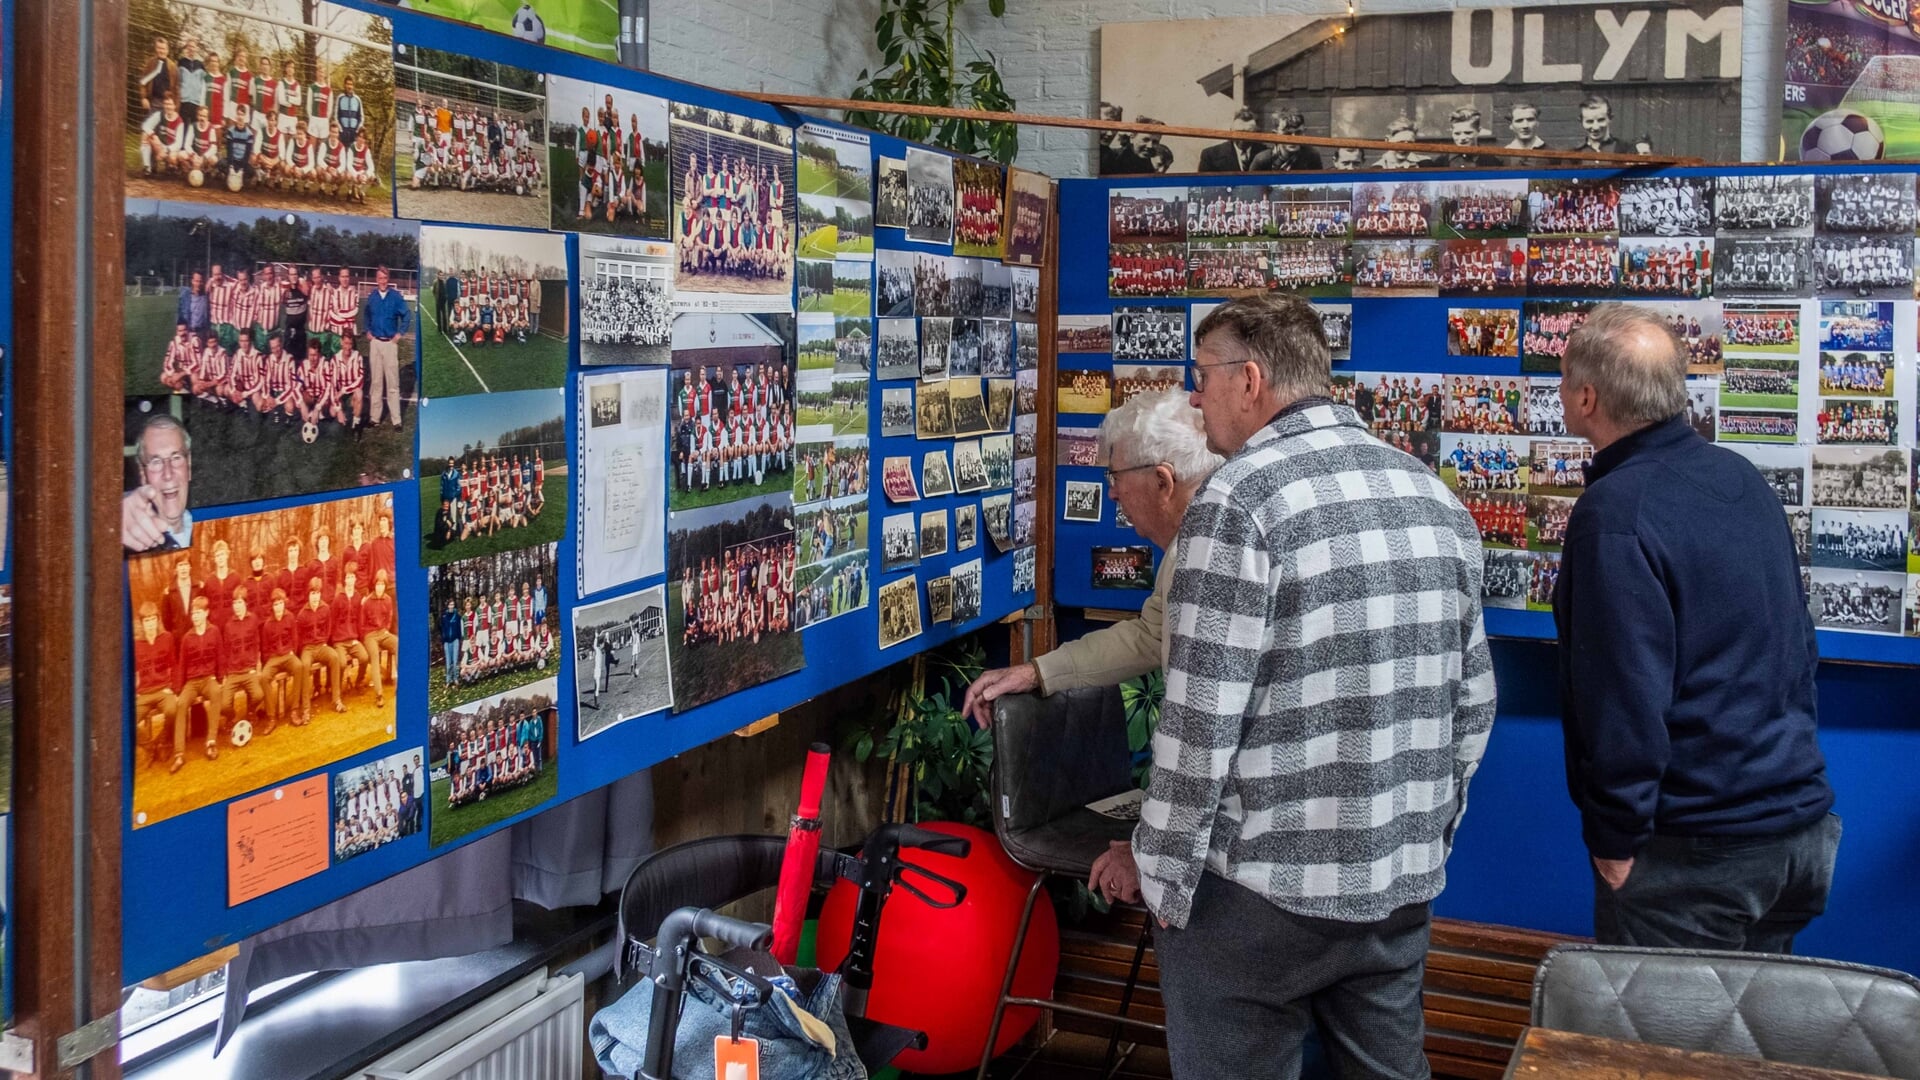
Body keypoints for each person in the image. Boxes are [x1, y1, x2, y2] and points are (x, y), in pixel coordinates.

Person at [1105, 294, 1495, 1078]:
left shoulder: (1237, 503)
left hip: (1256, 897)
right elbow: (1473, 704)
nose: (1195, 398)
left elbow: (1198, 725)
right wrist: (1424, 840)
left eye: (1203, 376)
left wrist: (1161, 876)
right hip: (1396, 882)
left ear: (1250, 380)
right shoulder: (1433, 496)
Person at [1552, 304, 1839, 951]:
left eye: (1565, 378)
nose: (1562, 391)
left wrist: (1614, 839)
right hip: (1794, 830)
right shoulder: (1740, 477)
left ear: (1588, 397)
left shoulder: (1615, 513)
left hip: (1696, 855)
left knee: (1656, 1025)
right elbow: (1800, 646)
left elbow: (1623, 694)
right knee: (1755, 1023)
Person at [962, 390, 1222, 723]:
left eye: (1116, 476)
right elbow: (1150, 636)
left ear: (1163, 481)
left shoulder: (1207, 558)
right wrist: (1036, 672)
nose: (1112, 493)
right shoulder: (1189, 543)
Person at [124, 413, 194, 556]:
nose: (168, 474)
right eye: (156, 462)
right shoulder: (128, 546)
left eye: (176, 458)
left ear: (188, 466)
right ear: (143, 475)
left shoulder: (217, 528)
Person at [362, 266, 409, 428]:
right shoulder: (372, 297)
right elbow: (366, 315)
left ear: (388, 279)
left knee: (393, 383)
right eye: (380, 278)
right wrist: (367, 330)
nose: (382, 281)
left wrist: (400, 334)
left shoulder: (395, 297)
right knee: (376, 382)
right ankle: (375, 417)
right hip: (375, 343)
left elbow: (407, 315)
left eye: (385, 278)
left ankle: (396, 420)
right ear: (376, 280)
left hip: (390, 344)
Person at [1197, 107, 1265, 173]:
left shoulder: (1265, 153)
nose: (1242, 139)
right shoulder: (1211, 155)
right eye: (1238, 133)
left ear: (1256, 133)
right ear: (1231, 131)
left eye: (1248, 133)